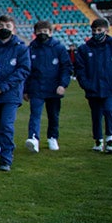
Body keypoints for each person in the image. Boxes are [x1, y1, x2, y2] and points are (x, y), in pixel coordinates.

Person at [0, 15, 30, 171]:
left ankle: (6, 158)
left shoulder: (21, 47)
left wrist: (3, 87)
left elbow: (23, 70)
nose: (4, 28)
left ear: (14, 29)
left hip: (11, 94)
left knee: (7, 125)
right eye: (1, 25)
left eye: (8, 25)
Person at [24, 20, 72, 152]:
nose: (42, 34)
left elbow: (66, 67)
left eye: (45, 31)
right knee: (35, 114)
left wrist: (63, 84)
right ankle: (34, 139)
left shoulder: (59, 48)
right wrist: (25, 89)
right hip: (36, 87)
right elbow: (26, 70)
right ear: (35, 33)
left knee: (53, 115)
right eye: (39, 31)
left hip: (54, 88)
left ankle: (52, 137)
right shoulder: (31, 49)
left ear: (50, 32)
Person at [74, 18, 112, 153]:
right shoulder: (84, 49)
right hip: (93, 89)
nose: (96, 33)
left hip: (111, 88)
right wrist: (87, 85)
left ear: (106, 31)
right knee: (96, 115)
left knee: (110, 111)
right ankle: (98, 140)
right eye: (94, 30)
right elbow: (79, 69)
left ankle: (110, 139)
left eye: (99, 30)